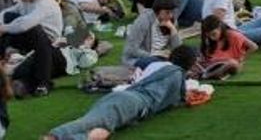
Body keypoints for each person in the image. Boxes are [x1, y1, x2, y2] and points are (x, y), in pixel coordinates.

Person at [44, 46, 196, 140]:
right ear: (188, 66)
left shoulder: (156, 64)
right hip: (132, 102)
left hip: (122, 97)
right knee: (90, 122)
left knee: (102, 130)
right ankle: (53, 136)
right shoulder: (177, 75)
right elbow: (178, 97)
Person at [0, 0, 65, 97]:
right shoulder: (25, 1)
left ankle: (43, 83)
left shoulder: (45, 3)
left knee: (33, 29)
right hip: (30, 36)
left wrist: (4, 28)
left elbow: (26, 24)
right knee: (8, 17)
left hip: (47, 39)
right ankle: (3, 62)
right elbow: (7, 13)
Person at [122, 0, 182, 68]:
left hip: (161, 57)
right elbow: (132, 49)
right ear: (158, 11)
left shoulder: (172, 21)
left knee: (188, 55)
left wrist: (173, 30)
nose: (171, 16)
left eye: (172, 12)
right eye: (167, 12)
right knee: (159, 63)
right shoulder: (144, 21)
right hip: (139, 58)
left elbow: (178, 50)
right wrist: (154, 54)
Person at [196, 15, 257, 79]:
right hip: (212, 64)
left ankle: (209, 75)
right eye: (209, 35)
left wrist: (242, 58)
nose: (211, 38)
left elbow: (254, 46)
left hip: (228, 64)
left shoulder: (233, 35)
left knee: (232, 63)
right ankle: (208, 74)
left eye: (213, 34)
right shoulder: (209, 40)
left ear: (220, 28)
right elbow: (205, 56)